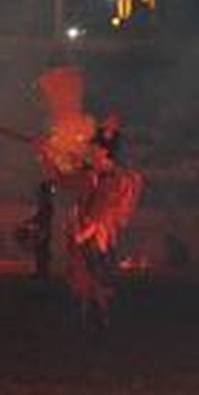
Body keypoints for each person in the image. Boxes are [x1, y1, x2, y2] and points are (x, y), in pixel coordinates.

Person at [65, 115, 143, 330]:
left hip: (99, 239)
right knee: (85, 281)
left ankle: (99, 318)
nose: (91, 152)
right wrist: (47, 157)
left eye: (95, 149)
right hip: (88, 237)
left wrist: (85, 232)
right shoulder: (94, 175)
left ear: (104, 152)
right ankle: (89, 316)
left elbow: (104, 212)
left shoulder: (115, 180)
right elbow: (68, 181)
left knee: (96, 279)